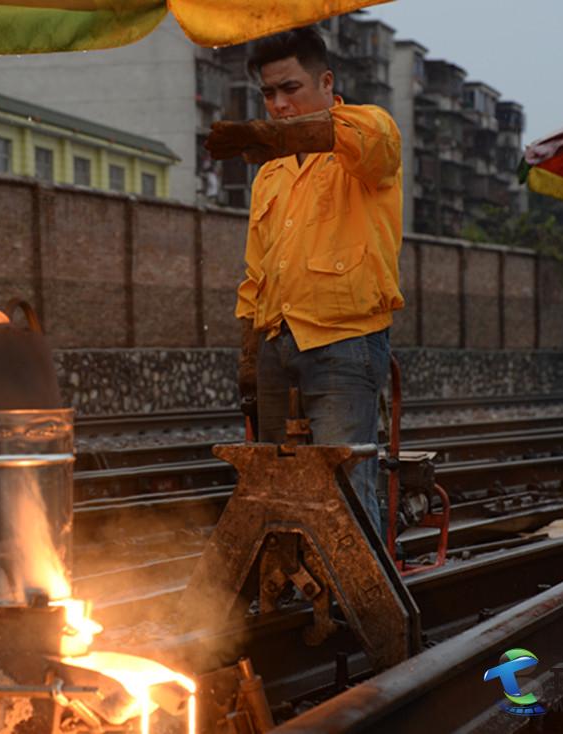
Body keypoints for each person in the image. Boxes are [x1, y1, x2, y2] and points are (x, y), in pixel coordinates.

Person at [205, 26, 404, 534]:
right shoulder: (269, 173)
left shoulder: (368, 133)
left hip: (345, 339)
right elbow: (257, 272)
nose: (278, 104)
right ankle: (300, 591)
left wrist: (279, 137)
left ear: (326, 80)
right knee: (279, 485)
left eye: (290, 88)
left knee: (344, 486)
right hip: (277, 344)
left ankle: (359, 607)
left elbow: (371, 142)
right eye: (268, 94)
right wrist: (250, 354)